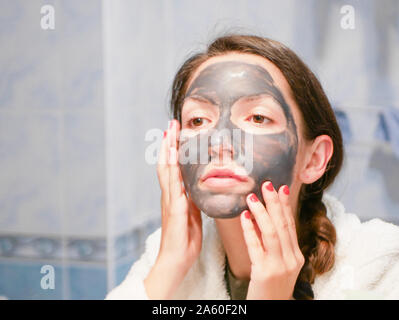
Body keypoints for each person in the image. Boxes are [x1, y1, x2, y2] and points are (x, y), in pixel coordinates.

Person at [105, 34, 399, 300]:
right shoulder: (166, 255)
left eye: (257, 118)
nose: (218, 142)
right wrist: (168, 266)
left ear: (314, 159)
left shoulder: (380, 265)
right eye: (197, 120)